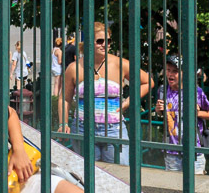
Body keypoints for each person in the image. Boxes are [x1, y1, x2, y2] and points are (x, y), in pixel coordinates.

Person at [59, 21, 153, 164]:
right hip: (83, 128)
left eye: (108, 41)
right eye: (100, 41)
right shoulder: (74, 68)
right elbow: (64, 98)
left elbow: (147, 82)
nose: (105, 44)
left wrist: (128, 102)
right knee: (87, 175)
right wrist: (63, 123)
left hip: (114, 129)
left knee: (119, 173)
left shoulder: (119, 64)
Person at [156, 54, 209, 174]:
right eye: (168, 70)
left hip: (194, 151)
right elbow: (165, 115)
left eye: (175, 71)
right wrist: (158, 110)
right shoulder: (163, 90)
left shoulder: (196, 92)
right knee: (173, 189)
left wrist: (196, 113)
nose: (170, 74)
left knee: (195, 188)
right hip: (172, 150)